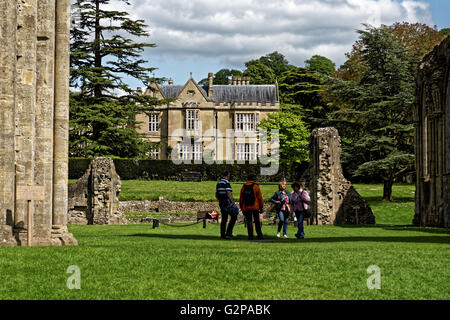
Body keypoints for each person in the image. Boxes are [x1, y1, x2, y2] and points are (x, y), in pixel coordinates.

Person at [239, 174, 264, 240]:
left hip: (246, 206)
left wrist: (241, 207)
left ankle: (250, 235)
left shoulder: (243, 187)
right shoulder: (255, 186)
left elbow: (241, 198)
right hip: (255, 206)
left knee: (249, 221)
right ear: (253, 179)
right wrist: (261, 206)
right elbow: (259, 197)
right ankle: (259, 235)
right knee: (257, 221)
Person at [216, 171, 239, 239]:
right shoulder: (226, 182)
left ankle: (223, 234)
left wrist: (220, 200)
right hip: (227, 201)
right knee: (234, 215)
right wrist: (232, 201)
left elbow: (217, 194)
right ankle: (229, 233)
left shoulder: (218, 183)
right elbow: (228, 192)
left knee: (224, 219)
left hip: (222, 202)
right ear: (227, 175)